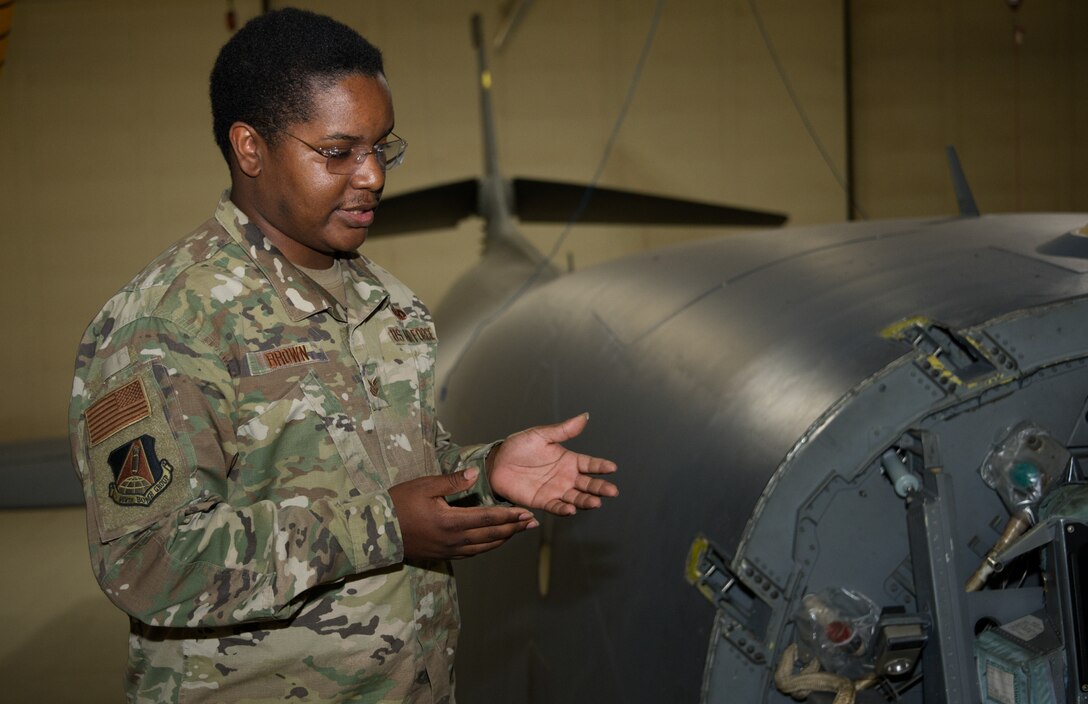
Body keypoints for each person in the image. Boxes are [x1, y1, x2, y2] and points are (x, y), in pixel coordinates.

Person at [67, 8, 618, 703]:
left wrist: (485, 471)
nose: (373, 177)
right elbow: (146, 563)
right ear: (250, 148)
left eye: (382, 148)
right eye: (338, 152)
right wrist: (386, 526)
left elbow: (398, 468)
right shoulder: (168, 322)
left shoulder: (389, 305)